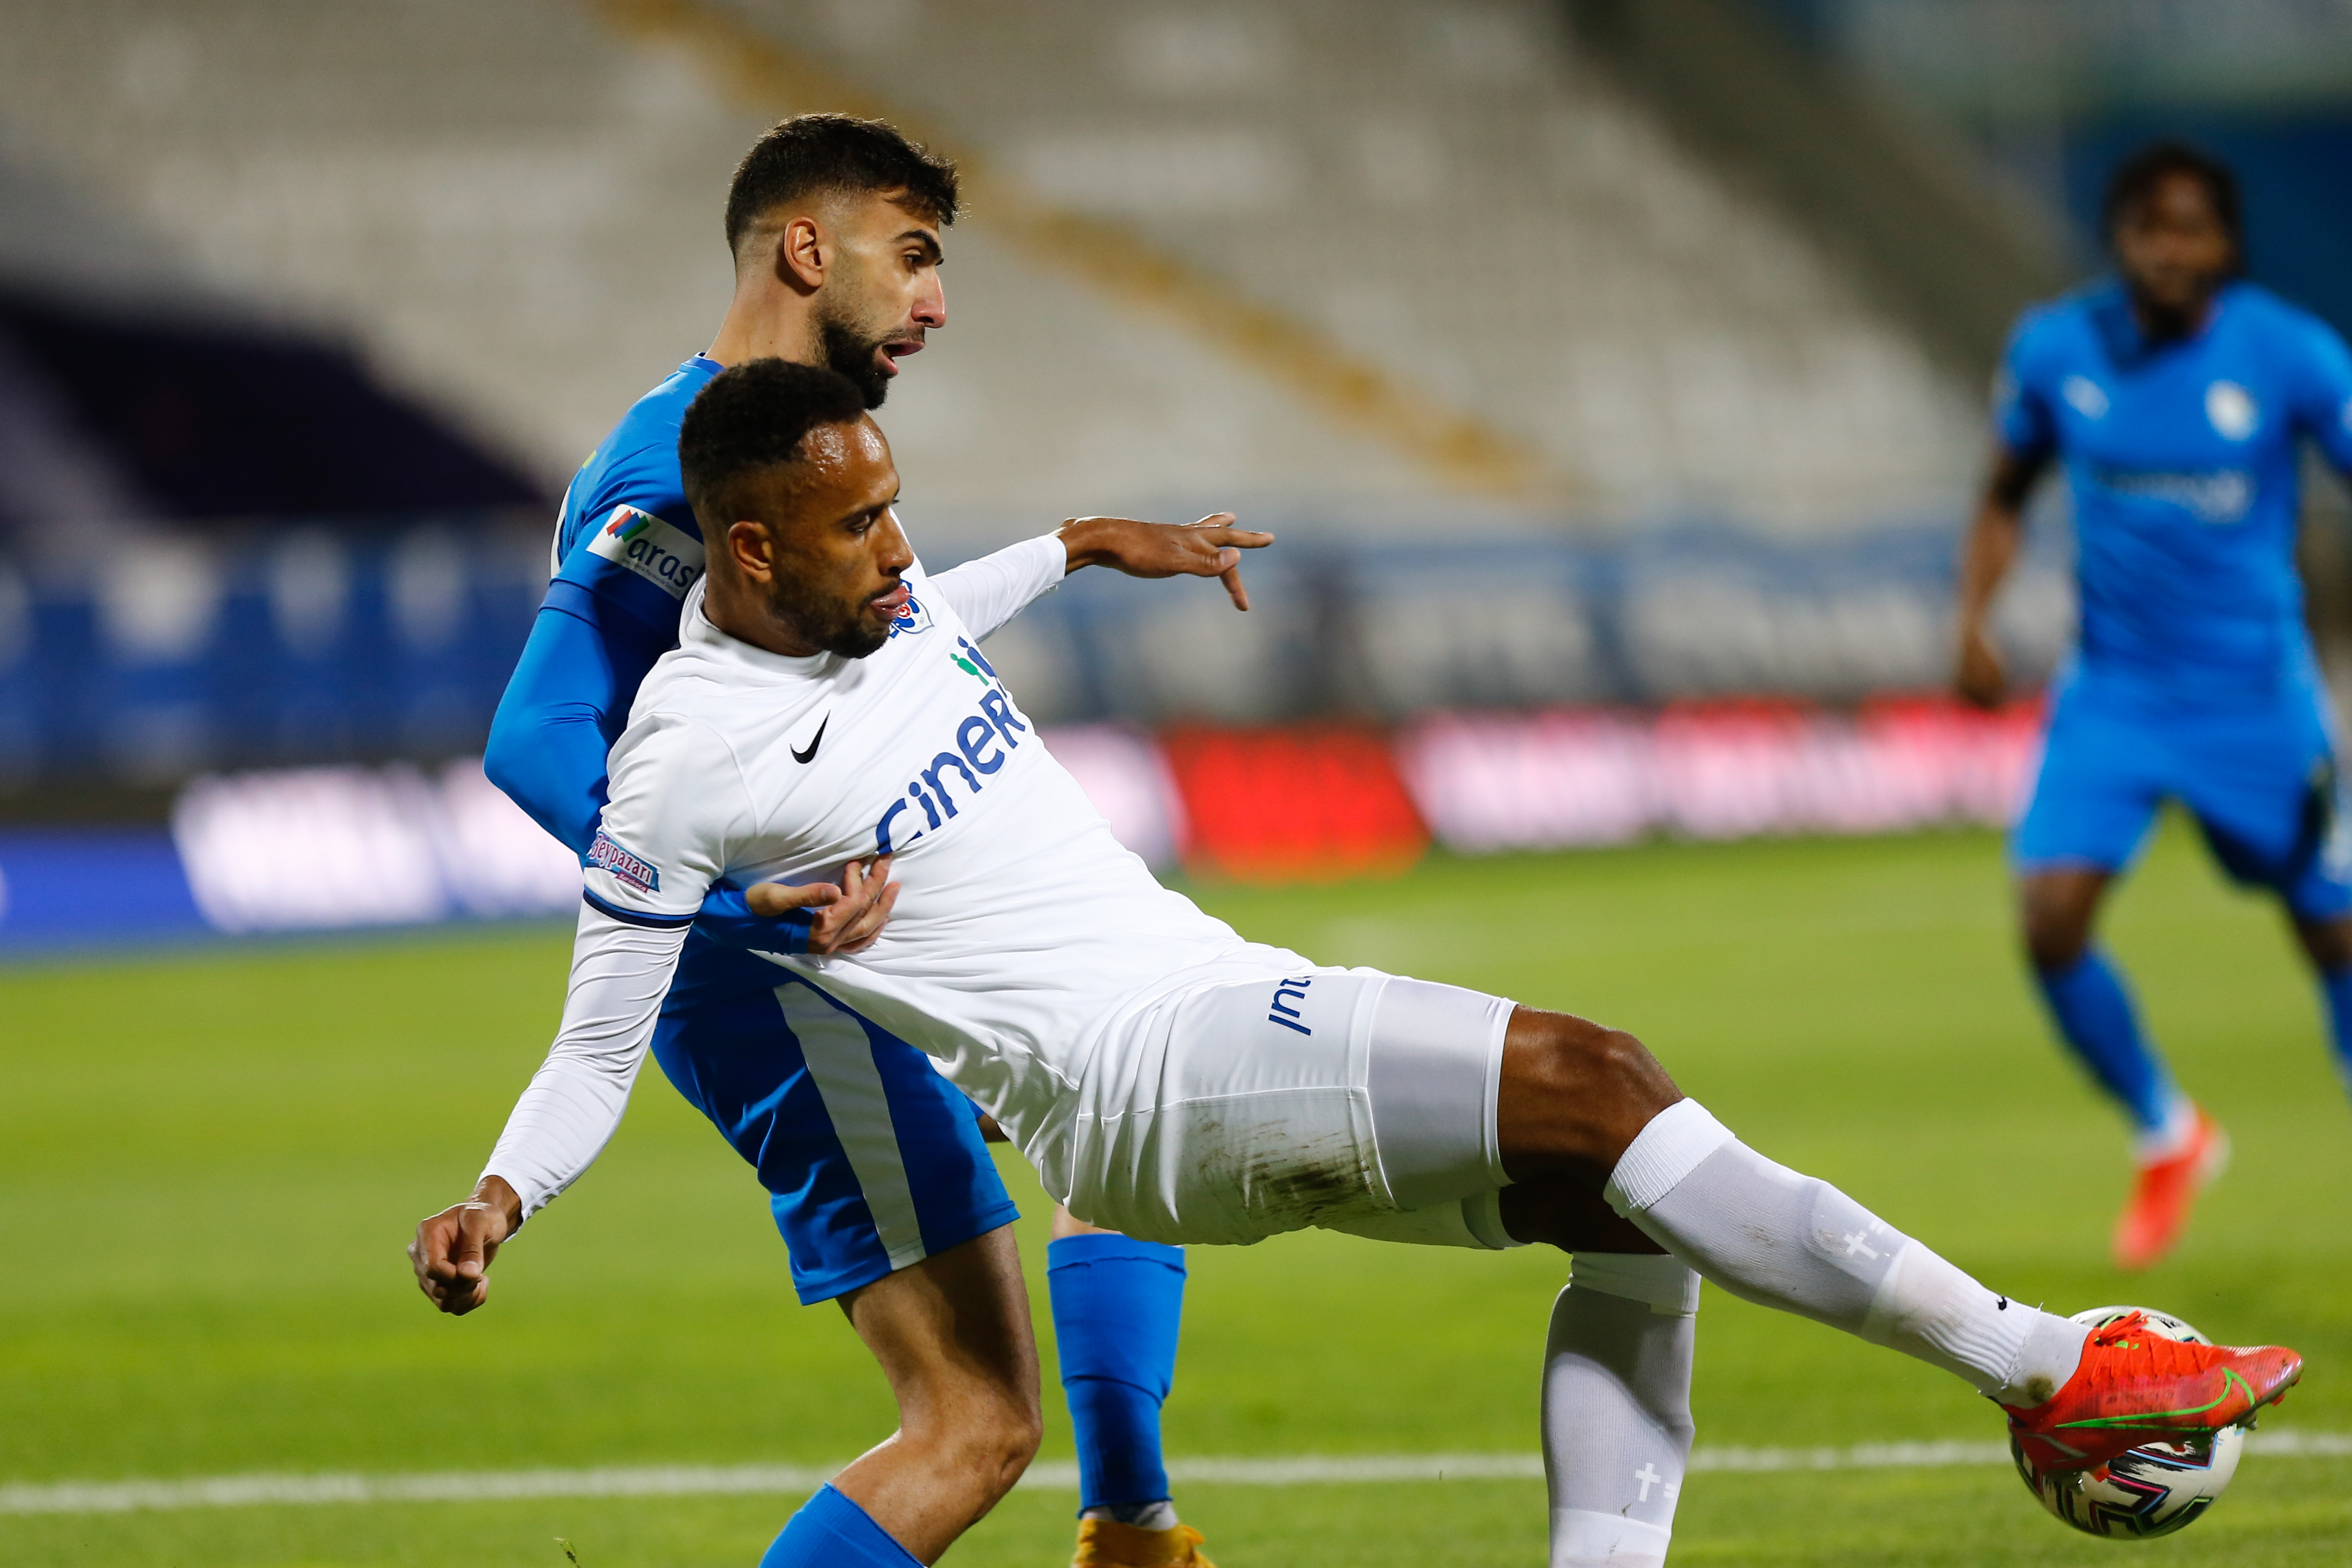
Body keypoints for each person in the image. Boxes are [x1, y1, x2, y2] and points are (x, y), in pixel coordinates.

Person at [419, 358, 2302, 1568]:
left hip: (1191, 1029)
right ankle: (2053, 1362)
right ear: (749, 550)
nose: (901, 547)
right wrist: (502, 1194)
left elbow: (948, 603)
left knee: (1629, 1212)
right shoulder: (686, 758)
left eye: (900, 500)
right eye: (860, 523)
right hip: (1153, 1072)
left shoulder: (882, 604)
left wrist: (1088, 543)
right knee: (1604, 1079)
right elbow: (603, 1026)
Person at [451, 114, 1217, 1568]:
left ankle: (1132, 1523)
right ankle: (1128, 1528)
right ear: (807, 250)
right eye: (912, 257)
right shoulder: (669, 476)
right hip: (778, 981)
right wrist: (730, 903)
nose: (937, 302)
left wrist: (1070, 546)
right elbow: (538, 736)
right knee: (972, 1422)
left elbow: (899, 631)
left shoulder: (763, 439)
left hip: (839, 924)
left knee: (1116, 1094)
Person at [1954, 140, 2352, 1270]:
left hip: (2253, 699)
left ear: (2225, 242)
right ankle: (2165, 1129)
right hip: (2114, 696)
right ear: (2116, 237)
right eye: (2147, 228)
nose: (2168, 250)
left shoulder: (2287, 353)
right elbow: (2002, 492)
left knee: (2331, 931)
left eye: (2191, 229)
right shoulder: (2054, 349)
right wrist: (1971, 620)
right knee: (2048, 917)